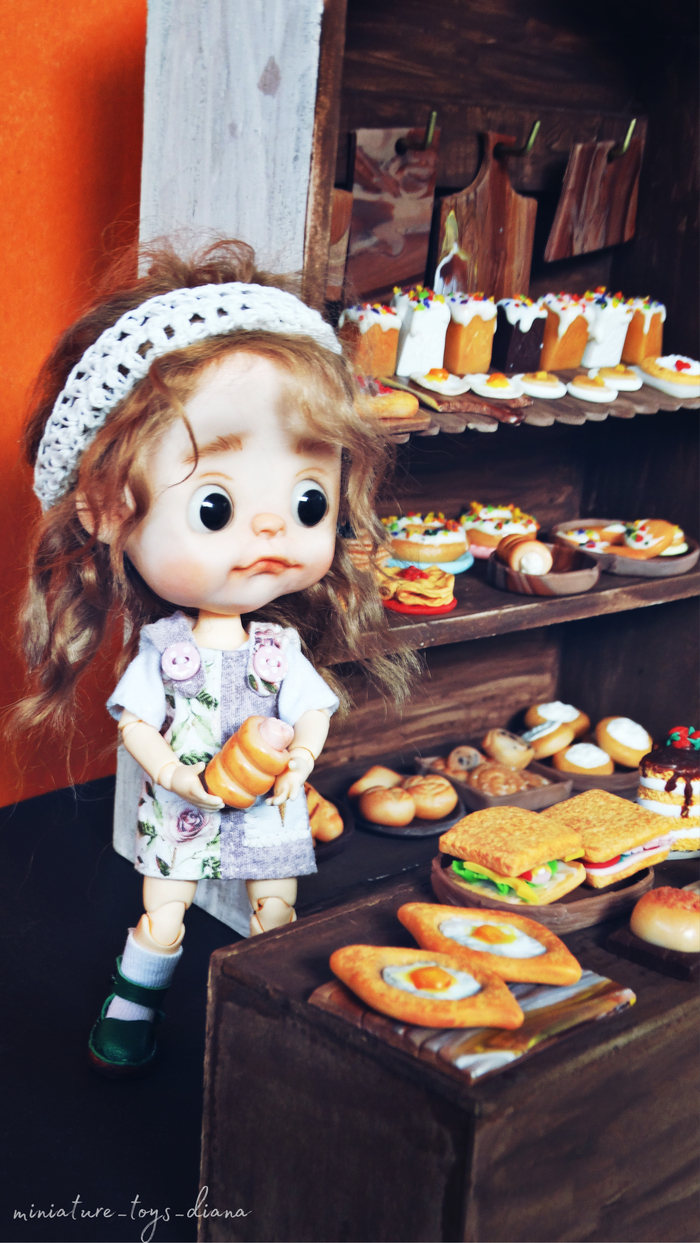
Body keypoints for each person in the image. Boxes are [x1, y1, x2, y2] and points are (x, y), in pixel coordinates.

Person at [15, 238, 413, 1075]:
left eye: (309, 499)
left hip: (268, 802)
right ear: (105, 508)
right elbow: (137, 725)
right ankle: (132, 1007)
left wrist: (299, 757)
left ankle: (271, 1029)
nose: (271, 526)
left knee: (275, 911)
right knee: (165, 908)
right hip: (184, 801)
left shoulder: (276, 646)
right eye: (215, 505)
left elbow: (310, 707)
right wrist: (180, 774)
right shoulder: (165, 652)